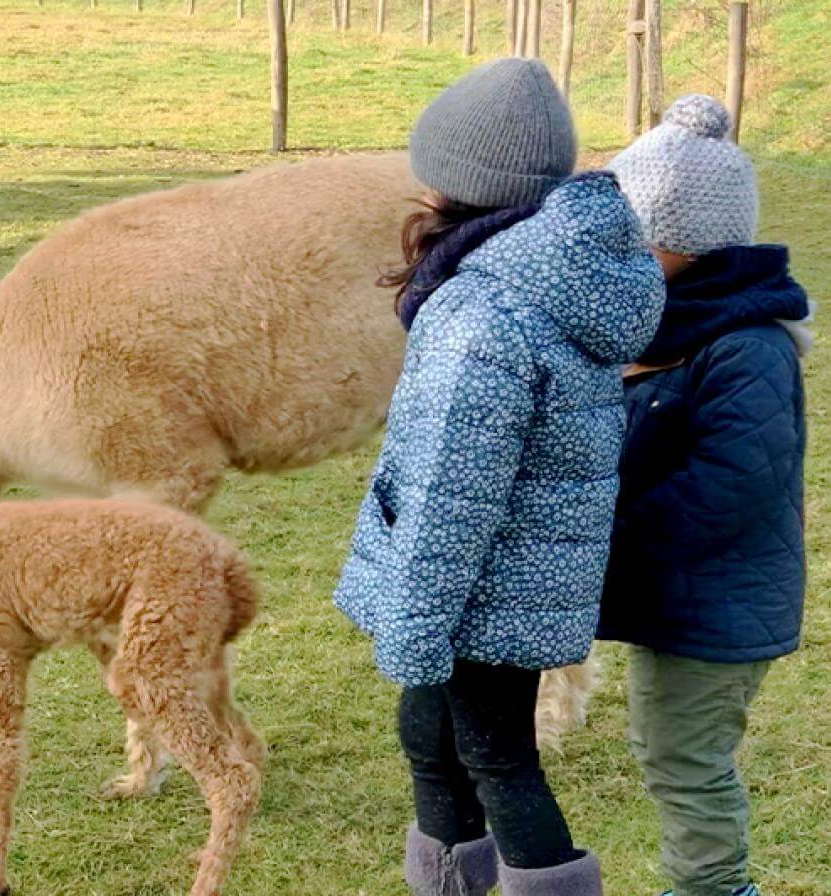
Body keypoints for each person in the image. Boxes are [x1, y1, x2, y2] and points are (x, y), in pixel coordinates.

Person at [333, 58, 665, 896]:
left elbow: (452, 494)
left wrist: (414, 626)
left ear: (455, 177)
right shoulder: (544, 278)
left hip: (486, 587)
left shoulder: (485, 313)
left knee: (496, 756)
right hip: (525, 575)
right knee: (435, 737)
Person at [600, 94, 810, 896]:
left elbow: (733, 485)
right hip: (685, 593)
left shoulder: (745, 345)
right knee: (672, 751)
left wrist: (613, 532)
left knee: (684, 759)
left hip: (718, 604)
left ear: (682, 239)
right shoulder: (676, 327)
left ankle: (714, 892)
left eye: (637, 236)